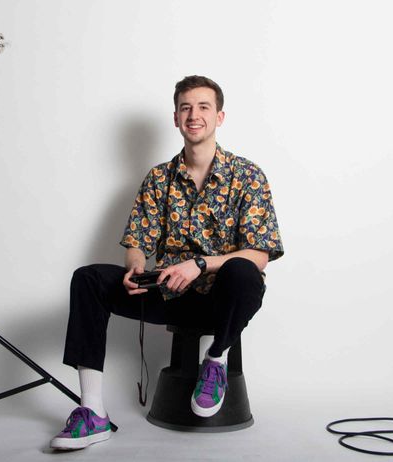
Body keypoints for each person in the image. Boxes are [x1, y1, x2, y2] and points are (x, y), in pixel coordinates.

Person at [50, 75, 284, 450]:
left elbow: (260, 254)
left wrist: (200, 264)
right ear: (175, 118)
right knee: (89, 278)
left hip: (223, 299)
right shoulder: (159, 178)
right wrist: (135, 269)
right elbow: (137, 242)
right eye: (186, 107)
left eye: (203, 107)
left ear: (220, 117)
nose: (194, 115)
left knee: (244, 271)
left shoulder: (247, 175)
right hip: (169, 294)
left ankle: (215, 359)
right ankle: (92, 412)